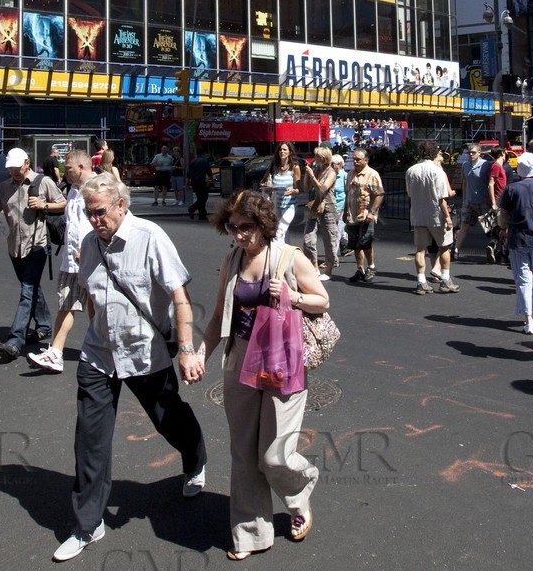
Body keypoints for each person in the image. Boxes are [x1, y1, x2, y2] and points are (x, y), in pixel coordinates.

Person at [53, 173, 207, 562]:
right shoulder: (90, 244)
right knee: (90, 440)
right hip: (98, 355)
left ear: (121, 205)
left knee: (167, 418)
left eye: (100, 212)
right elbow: (91, 296)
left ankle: (195, 460)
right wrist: (96, 329)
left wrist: (187, 348)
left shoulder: (151, 237)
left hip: (144, 353)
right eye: (88, 213)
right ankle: (89, 524)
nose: (94, 220)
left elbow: (180, 295)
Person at [196, 189, 327, 559]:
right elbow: (218, 316)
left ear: (264, 224)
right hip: (240, 359)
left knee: (273, 456)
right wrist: (200, 355)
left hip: (281, 361)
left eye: (246, 227)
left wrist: (292, 295)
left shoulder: (290, 257)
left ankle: (299, 491)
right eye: (232, 227)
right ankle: (250, 534)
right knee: (242, 453)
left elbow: (322, 299)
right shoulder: (232, 259)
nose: (239, 234)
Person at [0, 147, 66, 360]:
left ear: (27, 163)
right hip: (15, 247)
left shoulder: (42, 182)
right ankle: (45, 325)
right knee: (31, 288)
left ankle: (15, 340)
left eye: (16, 168)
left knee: (27, 291)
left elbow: (63, 203)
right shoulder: (3, 188)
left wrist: (44, 204)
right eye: (10, 169)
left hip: (37, 245)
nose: (13, 172)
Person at [28, 150, 94, 373]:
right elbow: (70, 216)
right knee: (66, 304)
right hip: (71, 258)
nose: (65, 172)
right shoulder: (74, 191)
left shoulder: (97, 187)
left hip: (92, 258)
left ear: (82, 168)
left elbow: (108, 221)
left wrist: (89, 248)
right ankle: (55, 353)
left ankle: (103, 347)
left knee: (97, 306)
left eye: (69, 168)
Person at [499, 152, 533, 333]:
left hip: (518, 238)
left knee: (523, 279)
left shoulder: (511, 189)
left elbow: (503, 214)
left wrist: (502, 230)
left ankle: (528, 319)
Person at [406, 139, 456, 294]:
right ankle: (445, 280)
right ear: (434, 153)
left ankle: (421, 281)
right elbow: (441, 198)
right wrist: (447, 217)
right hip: (436, 215)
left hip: (418, 214)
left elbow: (410, 193)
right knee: (444, 246)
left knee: (420, 249)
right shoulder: (437, 171)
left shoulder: (411, 170)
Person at [343, 148, 383, 283]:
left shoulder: (372, 174)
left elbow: (379, 194)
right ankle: (360, 269)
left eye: (358, 159)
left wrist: (372, 212)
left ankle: (371, 267)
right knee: (355, 245)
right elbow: (348, 194)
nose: (355, 161)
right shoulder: (350, 174)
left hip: (365, 215)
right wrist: (345, 212)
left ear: (366, 160)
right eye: (354, 159)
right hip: (352, 216)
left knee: (366, 243)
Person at [306, 146, 339, 280]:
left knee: (329, 239)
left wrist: (313, 176)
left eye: (317, 156)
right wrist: (308, 176)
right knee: (308, 238)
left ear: (323, 158)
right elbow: (306, 188)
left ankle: (329, 270)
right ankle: (314, 266)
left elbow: (323, 189)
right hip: (314, 206)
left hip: (328, 207)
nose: (314, 158)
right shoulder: (316, 169)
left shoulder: (331, 172)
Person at [267, 143, 305, 245]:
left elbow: (299, 190)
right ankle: (286, 253)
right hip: (276, 205)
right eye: (280, 150)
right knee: (283, 230)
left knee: (280, 231)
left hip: (290, 206)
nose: (282, 152)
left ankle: (278, 254)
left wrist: (293, 190)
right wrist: (268, 187)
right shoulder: (275, 167)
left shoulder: (294, 167)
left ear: (290, 152)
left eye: (284, 150)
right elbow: (268, 183)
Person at [187, 149, 213, 220]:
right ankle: (192, 208)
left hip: (194, 181)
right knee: (204, 197)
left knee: (200, 197)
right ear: (203, 154)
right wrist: (211, 179)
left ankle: (202, 214)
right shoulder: (204, 161)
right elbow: (209, 171)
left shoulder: (193, 161)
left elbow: (189, 173)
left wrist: (188, 181)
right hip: (201, 180)